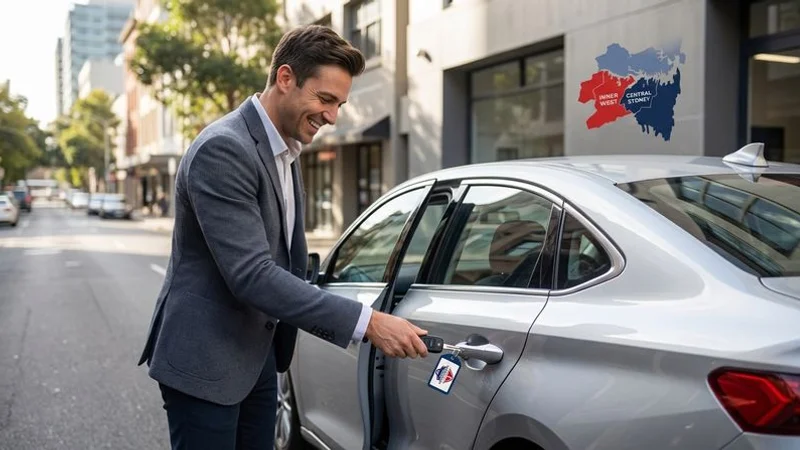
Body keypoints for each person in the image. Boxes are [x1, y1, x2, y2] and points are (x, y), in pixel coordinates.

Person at [137, 25, 429, 450]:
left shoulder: (286, 150)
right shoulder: (224, 148)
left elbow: (284, 260)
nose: (332, 116)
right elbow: (253, 274)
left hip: (256, 357)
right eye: (325, 99)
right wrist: (369, 322)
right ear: (286, 78)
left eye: (339, 104)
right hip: (205, 360)